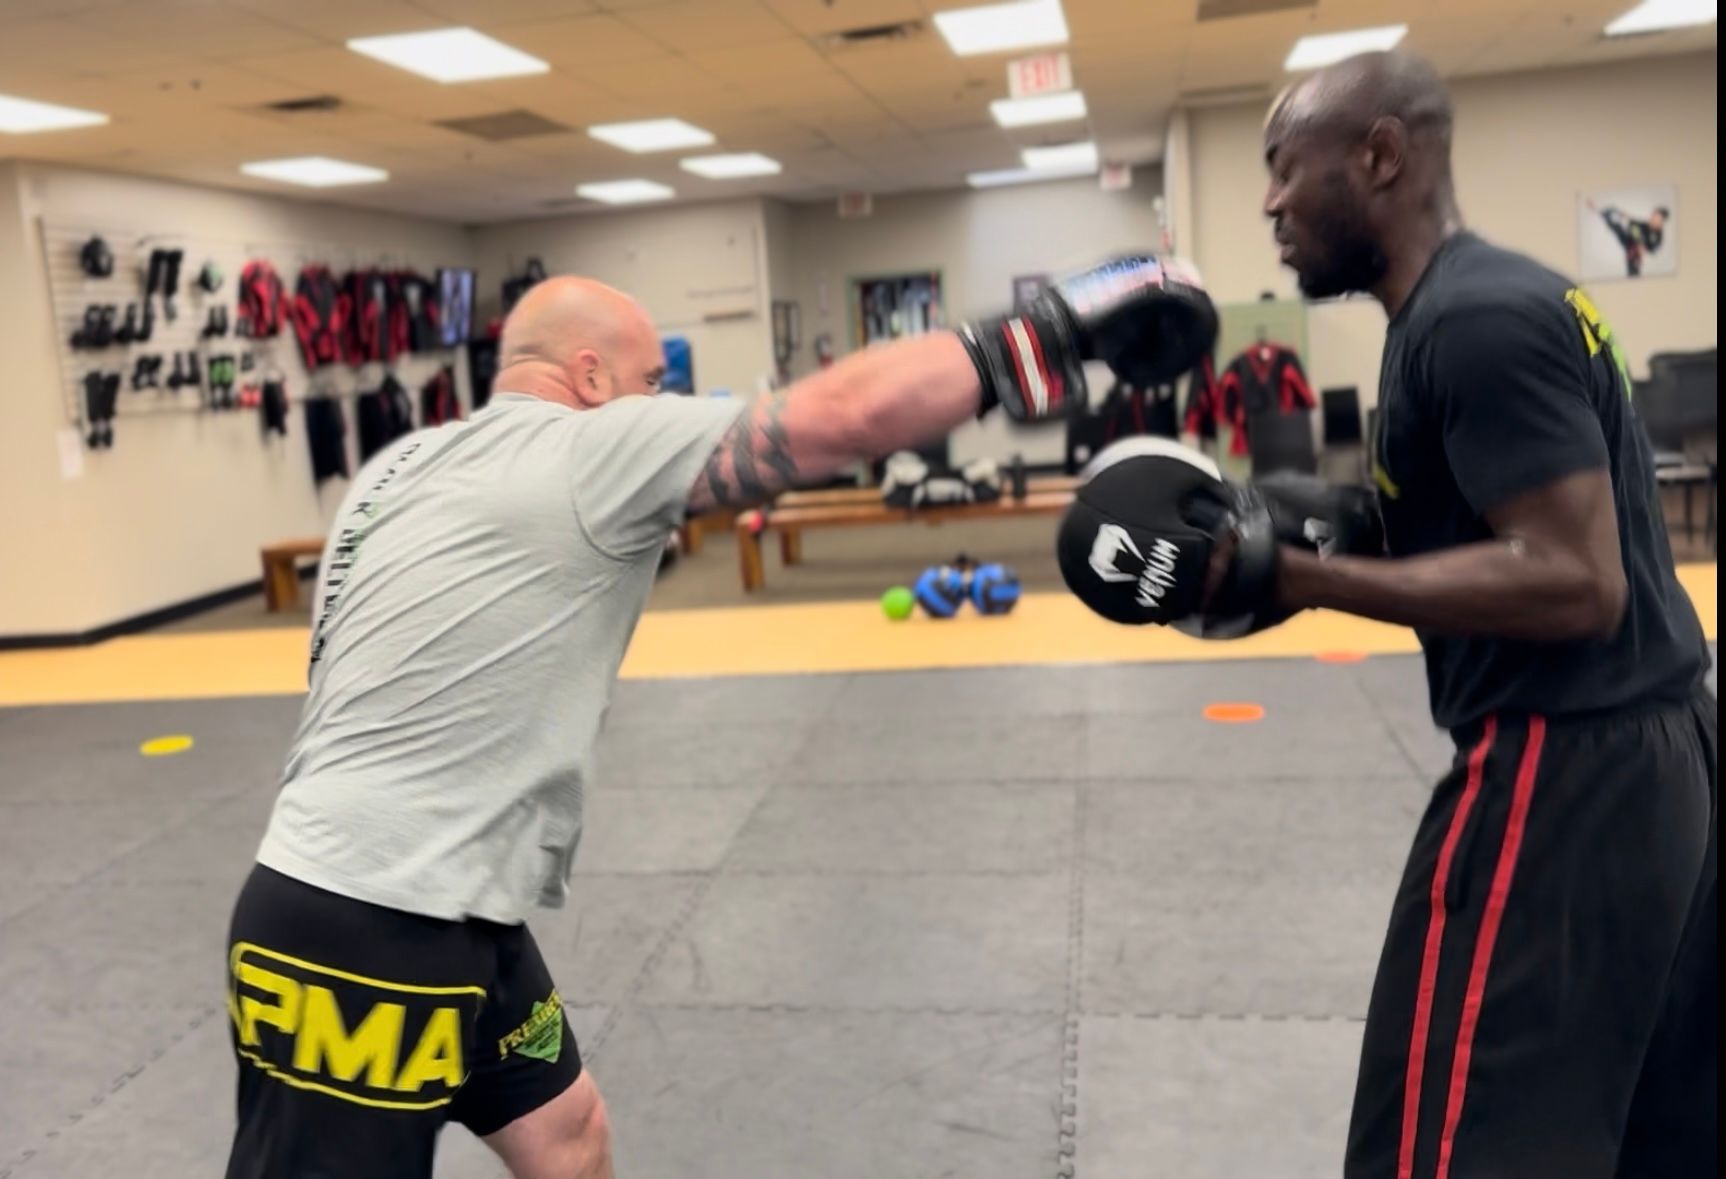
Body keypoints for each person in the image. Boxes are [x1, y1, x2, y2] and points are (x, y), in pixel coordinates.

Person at [223, 264, 1216, 1179]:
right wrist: (1051, 332)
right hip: (368, 928)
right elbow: (844, 417)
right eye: (652, 377)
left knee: (569, 1140)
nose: (660, 397)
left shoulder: (397, 470)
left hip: (439, 905)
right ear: (590, 375)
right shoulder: (588, 445)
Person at [1058, 49, 1714, 1179]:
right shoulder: (1491, 299)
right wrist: (1328, 522)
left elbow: (1572, 578)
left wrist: (1295, 579)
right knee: (1647, 1131)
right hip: (1663, 759)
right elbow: (1490, 520)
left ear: (1378, 156)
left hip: (1558, 774)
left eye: (1283, 168)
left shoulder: (1473, 323)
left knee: (1446, 1141)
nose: (1267, 202)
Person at [1591, 199, 1669, 277]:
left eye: (1655, 217)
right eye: (1652, 215)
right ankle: (1599, 211)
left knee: (1635, 260)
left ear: (1661, 221)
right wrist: (1625, 216)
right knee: (1621, 225)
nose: (1651, 218)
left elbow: (1652, 250)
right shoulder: (1645, 225)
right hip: (1630, 241)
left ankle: (1633, 274)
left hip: (1636, 251)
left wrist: (1642, 248)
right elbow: (1634, 222)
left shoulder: (1658, 236)